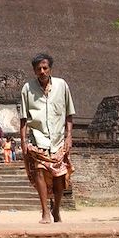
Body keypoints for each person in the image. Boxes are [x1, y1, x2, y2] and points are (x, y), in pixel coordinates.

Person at [20, 53, 75, 224]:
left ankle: (56, 209)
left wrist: (69, 136)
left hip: (58, 140)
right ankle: (44, 211)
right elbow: (23, 118)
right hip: (38, 139)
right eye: (39, 69)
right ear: (34, 71)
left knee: (60, 178)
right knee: (40, 173)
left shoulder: (62, 86)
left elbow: (69, 114)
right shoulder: (27, 89)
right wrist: (22, 142)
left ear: (50, 69)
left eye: (45, 68)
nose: (42, 71)